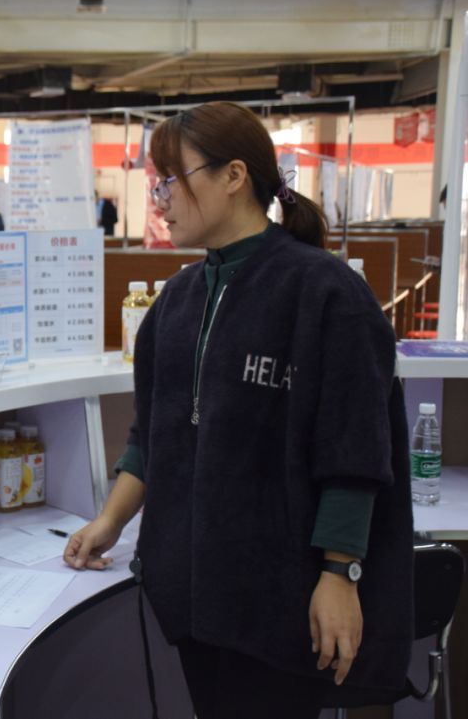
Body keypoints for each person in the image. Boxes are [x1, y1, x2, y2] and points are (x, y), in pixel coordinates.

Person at [64, 102, 412, 717]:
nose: (159, 198)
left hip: (283, 592)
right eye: (155, 183)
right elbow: (154, 436)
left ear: (234, 176)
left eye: (172, 180)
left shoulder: (326, 293)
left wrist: (340, 574)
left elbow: (355, 453)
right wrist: (110, 522)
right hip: (195, 591)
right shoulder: (174, 302)